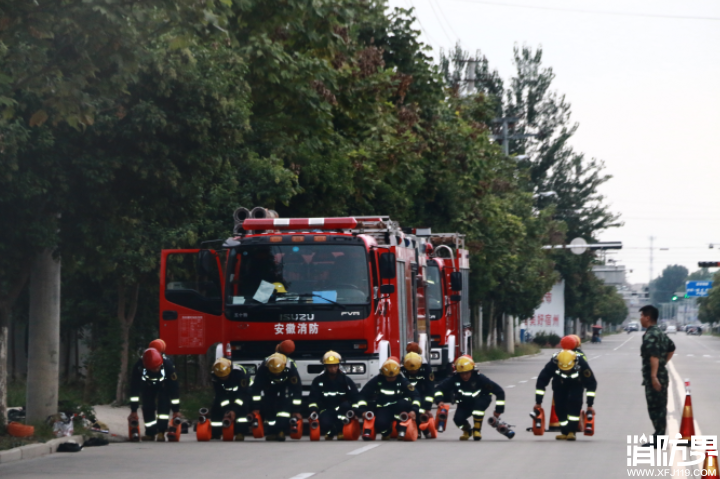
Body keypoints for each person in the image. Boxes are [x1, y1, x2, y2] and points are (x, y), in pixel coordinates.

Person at [433, 356, 506, 441]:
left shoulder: (480, 379)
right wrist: (439, 400)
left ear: (472, 371)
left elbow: (499, 391)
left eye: (467, 373)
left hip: (481, 399)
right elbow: (438, 389)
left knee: (478, 409)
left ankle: (477, 431)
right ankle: (467, 431)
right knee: (457, 420)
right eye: (462, 373)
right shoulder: (454, 379)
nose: (464, 376)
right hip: (464, 403)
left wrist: (498, 410)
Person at [535, 349, 597, 441]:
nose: (566, 372)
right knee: (559, 407)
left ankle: (572, 431)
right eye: (564, 370)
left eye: (568, 369)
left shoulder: (580, 364)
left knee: (575, 404)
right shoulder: (553, 363)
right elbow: (541, 381)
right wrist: (538, 402)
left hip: (576, 384)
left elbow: (591, 384)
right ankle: (565, 432)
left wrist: (590, 405)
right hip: (559, 384)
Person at [639, 305, 675, 447]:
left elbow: (653, 356)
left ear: (648, 317)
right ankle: (658, 436)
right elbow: (671, 348)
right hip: (661, 374)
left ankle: (659, 438)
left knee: (655, 408)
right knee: (659, 407)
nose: (641, 318)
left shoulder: (651, 335)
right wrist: (663, 363)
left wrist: (654, 376)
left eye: (642, 316)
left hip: (655, 376)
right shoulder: (659, 332)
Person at [358, 358, 420, 440]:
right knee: (381, 424)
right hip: (384, 408)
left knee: (402, 404)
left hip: (400, 408)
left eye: (393, 377)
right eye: (388, 377)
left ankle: (401, 428)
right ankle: (386, 432)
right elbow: (362, 395)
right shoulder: (377, 380)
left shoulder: (403, 381)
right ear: (383, 374)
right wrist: (363, 410)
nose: (391, 379)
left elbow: (415, 395)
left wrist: (414, 410)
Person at [129, 348, 181, 441]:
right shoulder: (138, 367)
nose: (156, 369)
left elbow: (174, 389)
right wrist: (133, 410)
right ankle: (150, 432)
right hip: (147, 386)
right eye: (153, 368)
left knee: (164, 405)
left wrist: (176, 410)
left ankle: (161, 432)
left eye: (158, 367)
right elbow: (134, 389)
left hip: (164, 386)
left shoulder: (168, 366)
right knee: (147, 406)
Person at [307, 350, 360, 440]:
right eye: (330, 366)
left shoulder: (346, 380)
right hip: (326, 409)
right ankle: (331, 431)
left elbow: (355, 396)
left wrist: (355, 411)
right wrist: (313, 411)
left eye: (335, 366)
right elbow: (313, 398)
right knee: (324, 423)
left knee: (346, 406)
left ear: (338, 366)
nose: (333, 368)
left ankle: (341, 430)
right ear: (325, 367)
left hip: (342, 409)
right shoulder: (318, 381)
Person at [250, 352, 303, 441]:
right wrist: (256, 407)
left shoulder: (290, 368)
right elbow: (256, 389)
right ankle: (272, 432)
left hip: (285, 386)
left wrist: (296, 410)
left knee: (284, 410)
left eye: (278, 373)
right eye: (274, 373)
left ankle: (281, 431)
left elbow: (297, 389)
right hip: (269, 386)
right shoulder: (263, 368)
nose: (276, 375)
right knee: (269, 407)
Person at [210, 358, 251, 440]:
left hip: (243, 391)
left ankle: (240, 432)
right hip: (226, 393)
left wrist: (234, 410)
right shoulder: (215, 375)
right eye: (221, 377)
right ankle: (216, 432)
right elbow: (220, 394)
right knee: (216, 409)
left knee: (242, 409)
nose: (223, 379)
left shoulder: (239, 373)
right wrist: (227, 410)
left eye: (225, 376)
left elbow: (242, 394)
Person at [400, 343, 435, 435]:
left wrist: (427, 408)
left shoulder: (425, 368)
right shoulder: (403, 367)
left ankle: (422, 429)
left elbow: (430, 388)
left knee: (419, 410)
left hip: (421, 395)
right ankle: (416, 429)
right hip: (408, 395)